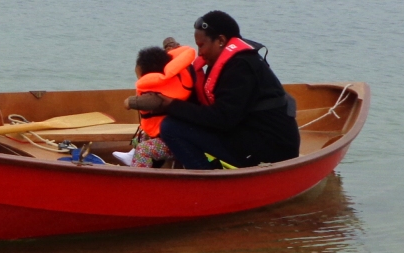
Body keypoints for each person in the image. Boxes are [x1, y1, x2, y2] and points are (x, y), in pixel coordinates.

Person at [127, 11, 299, 170]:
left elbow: (223, 119)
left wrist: (170, 105)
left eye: (201, 45)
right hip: (248, 135)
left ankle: (207, 180)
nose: (199, 53)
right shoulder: (227, 62)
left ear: (221, 41)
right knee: (177, 121)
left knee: (171, 127)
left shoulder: (241, 67)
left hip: (271, 150)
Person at [115, 40, 195, 167]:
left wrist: (129, 102)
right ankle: (132, 156)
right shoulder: (169, 82)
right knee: (142, 135)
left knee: (143, 150)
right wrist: (169, 43)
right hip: (166, 135)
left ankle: (141, 175)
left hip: (175, 143)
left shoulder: (159, 94)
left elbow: (150, 102)